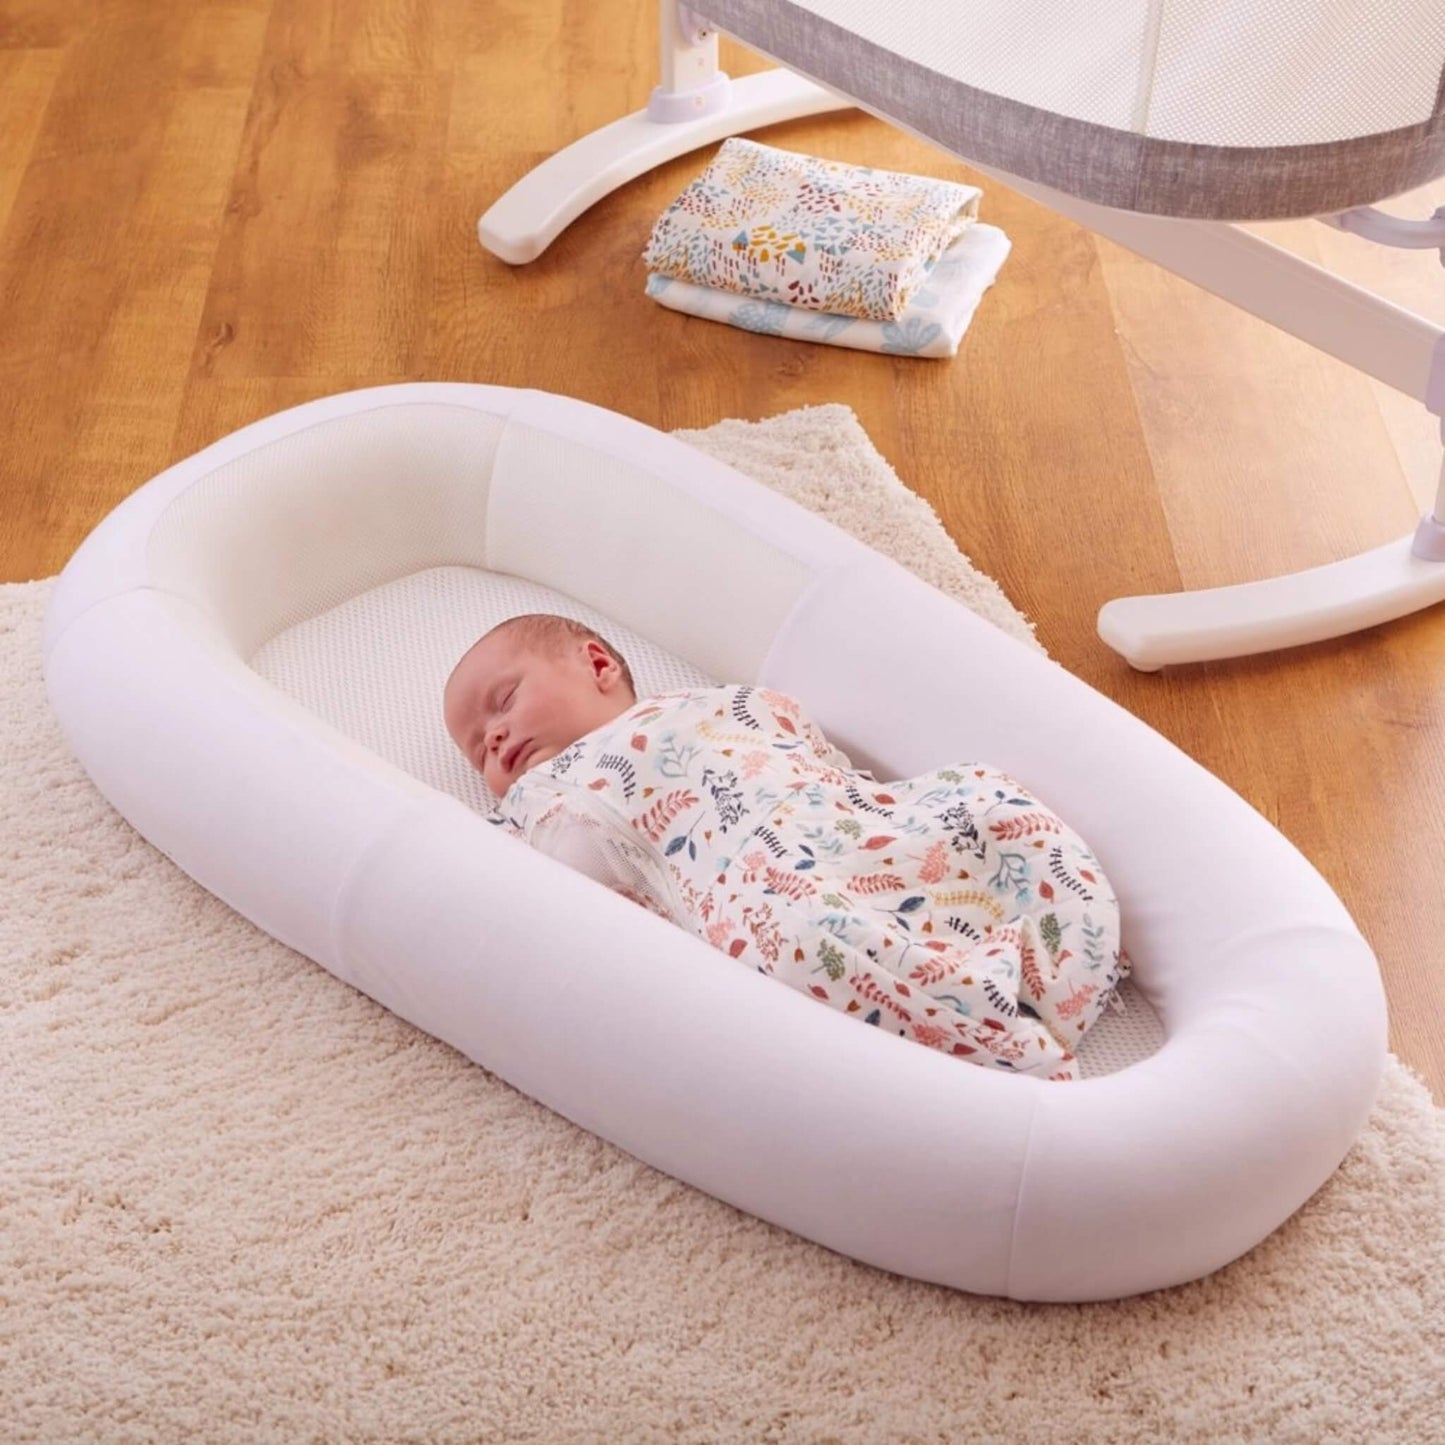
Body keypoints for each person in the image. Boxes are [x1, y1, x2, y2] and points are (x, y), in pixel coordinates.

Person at [444, 613, 1129, 1080]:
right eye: (478, 749)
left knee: (982, 805)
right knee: (805, 938)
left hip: (838, 825)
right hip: (755, 886)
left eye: (502, 702)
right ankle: (989, 1039)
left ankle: (1055, 968)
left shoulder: (714, 703)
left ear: (596, 663)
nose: (495, 740)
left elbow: (807, 751)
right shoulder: (542, 798)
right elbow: (543, 892)